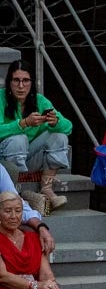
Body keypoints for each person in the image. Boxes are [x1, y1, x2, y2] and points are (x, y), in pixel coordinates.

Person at [0, 59, 72, 212]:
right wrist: (23, 123)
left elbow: (69, 127)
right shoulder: (1, 99)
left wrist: (55, 122)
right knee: (19, 139)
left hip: (29, 157)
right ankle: (15, 192)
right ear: (9, 82)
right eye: (16, 80)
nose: (21, 86)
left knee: (59, 136)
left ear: (31, 82)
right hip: (4, 162)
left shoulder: (39, 100)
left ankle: (46, 188)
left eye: (25, 80)